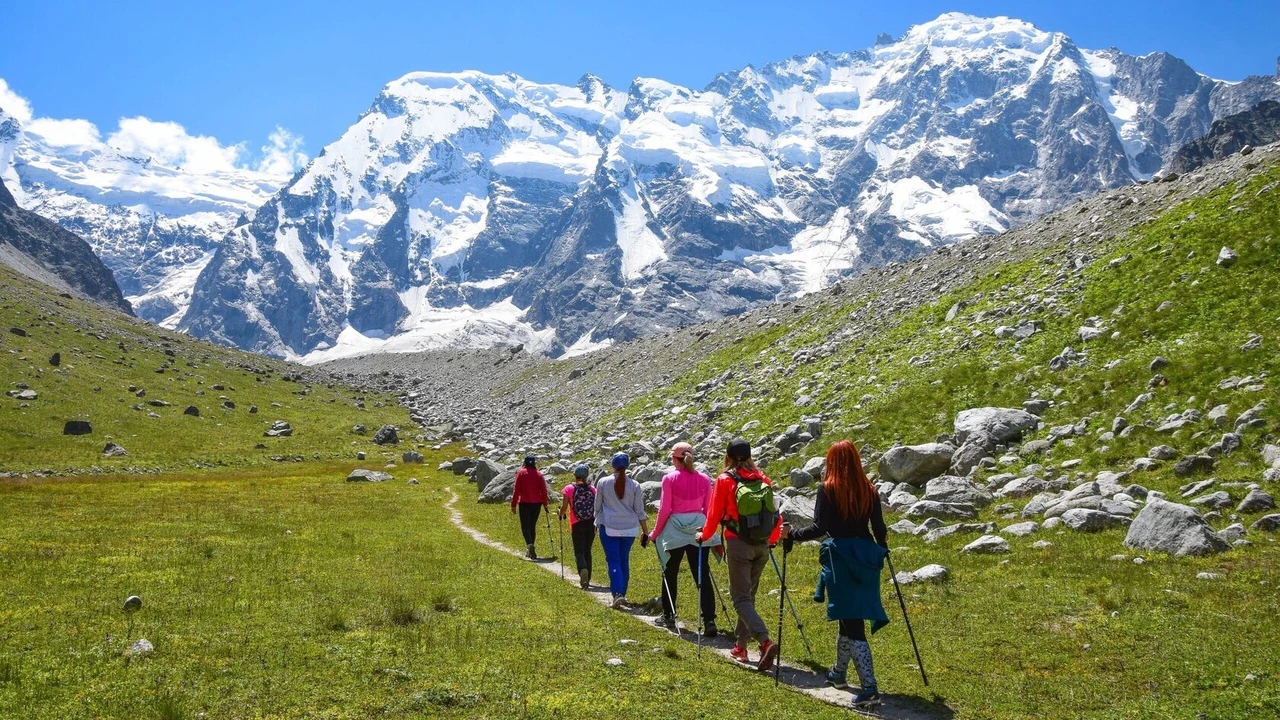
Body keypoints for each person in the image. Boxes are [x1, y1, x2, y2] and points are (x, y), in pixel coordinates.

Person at [781, 440, 889, 711]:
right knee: (849, 616)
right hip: (865, 558)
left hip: (840, 557)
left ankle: (870, 689)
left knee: (852, 622)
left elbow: (820, 527)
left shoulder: (828, 489)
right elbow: (879, 528)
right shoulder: (869, 489)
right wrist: (882, 552)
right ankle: (838, 674)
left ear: (832, 462)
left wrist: (793, 534)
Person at [694, 438, 782, 671]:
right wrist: (772, 541)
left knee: (741, 598)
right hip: (762, 546)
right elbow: (775, 514)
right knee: (748, 597)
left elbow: (714, 514)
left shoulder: (725, 480)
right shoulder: (762, 478)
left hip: (738, 544)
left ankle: (764, 641)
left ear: (729, 457)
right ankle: (740, 647)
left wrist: (703, 535)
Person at [645, 442, 719, 635]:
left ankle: (669, 615)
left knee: (670, 571)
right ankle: (709, 619)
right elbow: (708, 508)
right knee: (702, 574)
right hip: (698, 528)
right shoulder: (704, 479)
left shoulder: (669, 479)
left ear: (675, 459)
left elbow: (665, 510)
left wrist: (654, 533)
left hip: (675, 531)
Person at [594, 452, 650, 608]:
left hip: (609, 527)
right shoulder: (635, 485)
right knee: (624, 560)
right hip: (630, 529)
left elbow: (597, 506)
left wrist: (595, 523)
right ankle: (622, 593)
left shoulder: (603, 482)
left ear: (613, 466)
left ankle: (617, 593)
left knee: (613, 560)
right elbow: (640, 510)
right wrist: (646, 531)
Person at [558, 463, 597, 589]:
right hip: (591, 523)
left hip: (576, 523)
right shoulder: (592, 489)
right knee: (587, 551)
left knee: (579, 551)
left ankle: (582, 570)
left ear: (575, 476)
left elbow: (564, 508)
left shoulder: (569, 489)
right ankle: (588, 577)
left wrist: (559, 513)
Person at [510, 455, 549, 559]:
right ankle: (530, 550)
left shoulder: (521, 473)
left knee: (525, 527)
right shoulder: (539, 474)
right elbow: (544, 491)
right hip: (537, 504)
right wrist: (545, 504)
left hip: (524, 503)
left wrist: (513, 504)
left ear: (525, 463)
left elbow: (516, 490)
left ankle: (529, 545)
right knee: (532, 526)